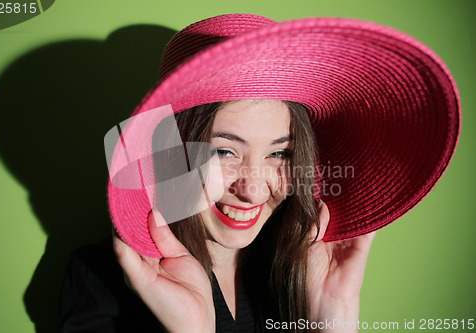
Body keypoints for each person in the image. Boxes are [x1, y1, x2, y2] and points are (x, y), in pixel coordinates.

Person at [60, 14, 460, 333]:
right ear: (171, 155)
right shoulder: (101, 278)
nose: (252, 190)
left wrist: (332, 319)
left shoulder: (297, 270)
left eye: (280, 154)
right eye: (223, 150)